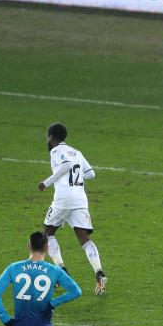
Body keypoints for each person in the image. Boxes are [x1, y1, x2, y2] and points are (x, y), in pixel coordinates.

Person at [38, 122, 107, 295]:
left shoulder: (56, 151)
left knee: (48, 233)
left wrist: (46, 183)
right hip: (80, 199)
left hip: (63, 199)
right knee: (84, 237)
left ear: (51, 137)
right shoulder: (77, 152)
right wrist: (76, 179)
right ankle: (99, 272)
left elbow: (67, 165)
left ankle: (61, 270)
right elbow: (91, 173)